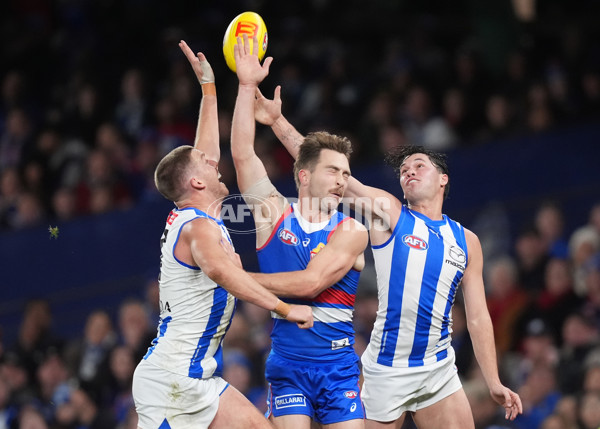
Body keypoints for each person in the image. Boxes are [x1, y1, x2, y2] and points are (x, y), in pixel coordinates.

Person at [252, 85, 523, 428]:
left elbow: (479, 317)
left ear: (443, 179)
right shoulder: (390, 214)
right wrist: (277, 122)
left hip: (437, 368)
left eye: (419, 165)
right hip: (385, 369)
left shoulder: (467, 241)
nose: (408, 171)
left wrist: (493, 380)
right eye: (404, 169)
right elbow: (327, 171)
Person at [131, 40, 313, 429]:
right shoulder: (197, 227)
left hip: (193, 376)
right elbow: (221, 272)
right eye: (206, 165)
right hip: (172, 382)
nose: (215, 164)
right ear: (197, 181)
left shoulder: (198, 209)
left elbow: (203, 149)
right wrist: (283, 307)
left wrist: (209, 90)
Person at [230, 35, 368, 429]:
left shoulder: (353, 229)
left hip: (339, 367)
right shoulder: (274, 214)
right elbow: (242, 154)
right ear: (304, 175)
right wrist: (244, 86)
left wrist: (235, 278)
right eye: (333, 171)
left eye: (346, 173)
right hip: (289, 365)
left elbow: (311, 283)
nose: (342, 181)